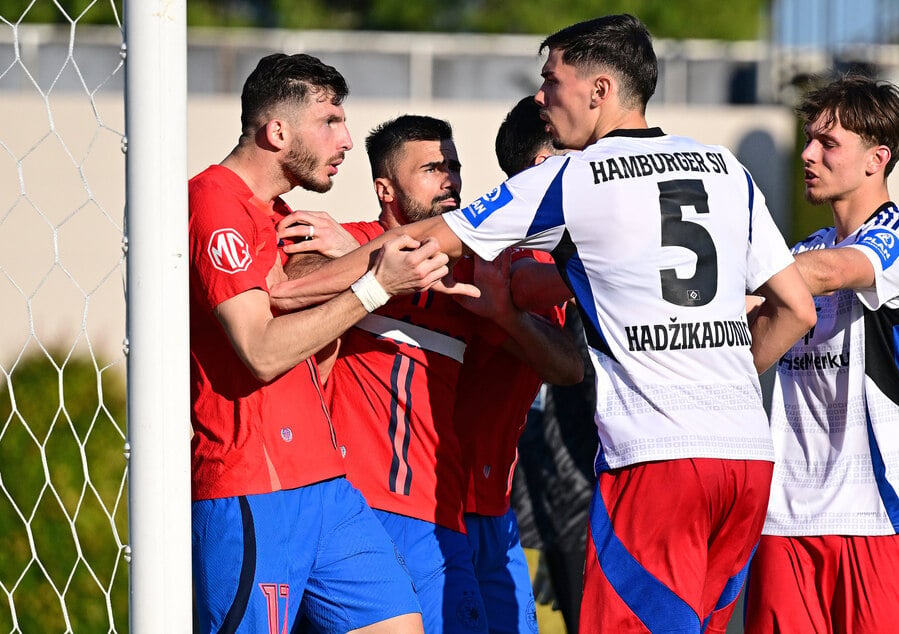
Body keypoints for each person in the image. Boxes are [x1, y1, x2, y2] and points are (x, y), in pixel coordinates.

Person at [273, 14, 817, 633]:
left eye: (550, 80)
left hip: (658, 461)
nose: (540, 96)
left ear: (600, 89)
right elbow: (796, 308)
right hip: (747, 459)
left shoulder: (574, 174)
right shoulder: (727, 169)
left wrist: (300, 281)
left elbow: (428, 240)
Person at [280, 114, 574, 634]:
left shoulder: (470, 267)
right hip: (358, 509)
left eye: (455, 168)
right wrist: (361, 257)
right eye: (433, 168)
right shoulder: (349, 243)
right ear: (384, 188)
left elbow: (561, 345)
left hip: (447, 516)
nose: (451, 181)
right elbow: (292, 280)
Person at [188, 53, 446, 634]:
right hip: (255, 484)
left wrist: (393, 249)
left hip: (325, 482)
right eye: (331, 121)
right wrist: (378, 286)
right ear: (277, 131)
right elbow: (260, 349)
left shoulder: (275, 213)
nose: (348, 139)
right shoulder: (213, 204)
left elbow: (286, 292)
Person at [744, 74, 899, 633]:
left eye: (827, 143)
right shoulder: (801, 252)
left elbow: (835, 273)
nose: (808, 154)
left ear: (875, 159)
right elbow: (751, 353)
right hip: (786, 517)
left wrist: (732, 280)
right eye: (808, 139)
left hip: (880, 512)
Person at [454, 97, 584, 634]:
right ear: (543, 169)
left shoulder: (559, 258)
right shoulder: (504, 256)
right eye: (581, 158)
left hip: (507, 496)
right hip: (463, 503)